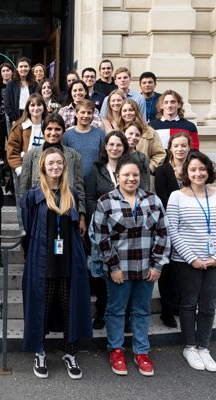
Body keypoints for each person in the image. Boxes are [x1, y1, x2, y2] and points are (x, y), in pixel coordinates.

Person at [92, 155, 170, 377]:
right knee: (116, 311)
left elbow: (163, 234)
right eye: (126, 174)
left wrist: (157, 265)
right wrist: (113, 267)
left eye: (135, 175)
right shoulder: (106, 202)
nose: (131, 178)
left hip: (147, 269)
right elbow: (102, 238)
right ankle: (116, 349)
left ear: (141, 177)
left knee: (141, 311)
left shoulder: (153, 200)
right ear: (117, 177)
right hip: (119, 270)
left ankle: (141, 352)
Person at [20, 147, 92, 379]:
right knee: (42, 307)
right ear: (43, 166)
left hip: (68, 261)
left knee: (69, 307)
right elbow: (28, 226)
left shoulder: (70, 193)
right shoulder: (33, 195)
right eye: (51, 163)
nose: (55, 167)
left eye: (59, 163)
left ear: (64, 166)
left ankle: (70, 353)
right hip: (43, 262)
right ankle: (40, 352)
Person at [166, 151, 216, 373]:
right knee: (188, 303)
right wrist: (192, 258)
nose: (198, 173)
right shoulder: (176, 196)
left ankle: (204, 346)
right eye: (193, 169)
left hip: (215, 261)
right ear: (187, 172)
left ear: (208, 171)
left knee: (209, 305)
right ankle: (190, 347)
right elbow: (172, 230)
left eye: (202, 169)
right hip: (186, 261)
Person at [84, 132, 131, 330]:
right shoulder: (96, 170)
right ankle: (101, 313)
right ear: (105, 147)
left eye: (119, 145)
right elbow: (90, 198)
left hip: (127, 228)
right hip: (102, 226)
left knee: (126, 272)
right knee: (104, 272)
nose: (115, 148)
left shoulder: (131, 168)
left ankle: (126, 316)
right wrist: (103, 217)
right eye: (111, 144)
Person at [154, 132, 192, 328]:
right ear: (170, 147)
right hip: (169, 224)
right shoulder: (162, 171)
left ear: (189, 147)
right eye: (176, 145)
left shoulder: (193, 169)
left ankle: (180, 305)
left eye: (183, 145)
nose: (180, 149)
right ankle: (167, 310)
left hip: (191, 226)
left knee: (185, 268)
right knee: (168, 269)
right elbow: (163, 200)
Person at [19, 113, 86, 225]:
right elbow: (24, 190)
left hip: (67, 212)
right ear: (43, 132)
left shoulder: (74, 156)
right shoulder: (30, 156)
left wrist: (81, 216)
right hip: (39, 215)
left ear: (63, 132)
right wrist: (25, 219)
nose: (53, 133)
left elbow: (79, 188)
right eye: (49, 129)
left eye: (57, 129)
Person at [7, 93, 48, 225]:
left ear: (44, 107)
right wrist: (20, 170)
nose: (36, 108)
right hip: (26, 173)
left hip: (47, 173)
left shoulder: (49, 125)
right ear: (27, 108)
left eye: (39, 105)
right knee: (26, 207)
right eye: (32, 105)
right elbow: (12, 151)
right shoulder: (19, 126)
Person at [117, 99, 165, 172]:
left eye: (131, 110)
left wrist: (149, 168)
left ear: (136, 111)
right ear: (120, 113)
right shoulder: (117, 132)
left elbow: (160, 154)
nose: (128, 113)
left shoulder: (149, 131)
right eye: (124, 111)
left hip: (143, 174)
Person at [62, 100, 106, 177]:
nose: (86, 116)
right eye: (82, 112)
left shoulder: (100, 134)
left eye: (89, 113)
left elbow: (103, 159)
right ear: (76, 113)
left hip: (94, 180)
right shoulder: (66, 136)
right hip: (73, 180)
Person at [4, 56, 37, 124]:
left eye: (25, 66)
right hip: (16, 117)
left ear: (29, 68)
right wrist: (13, 119)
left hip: (32, 116)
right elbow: (7, 104)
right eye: (21, 66)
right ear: (17, 69)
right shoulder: (11, 85)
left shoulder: (35, 84)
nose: (23, 69)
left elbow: (38, 101)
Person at [123, 122, 151, 191]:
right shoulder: (116, 154)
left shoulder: (142, 158)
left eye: (137, 135)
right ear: (123, 133)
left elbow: (146, 182)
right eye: (130, 133)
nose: (133, 137)